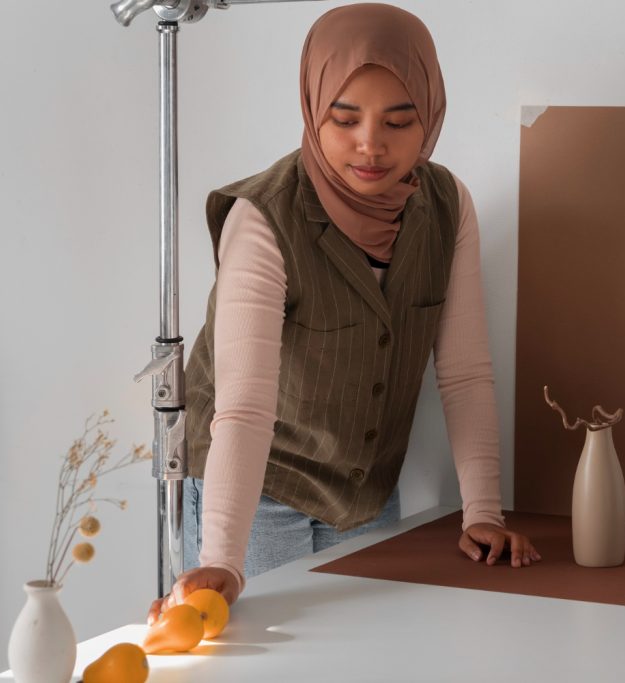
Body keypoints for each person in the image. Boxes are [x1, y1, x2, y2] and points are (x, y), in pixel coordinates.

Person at [147, 2, 540, 623]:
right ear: (313, 108)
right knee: (265, 657)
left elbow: (463, 373)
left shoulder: (446, 208)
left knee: (364, 651)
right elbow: (244, 407)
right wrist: (223, 556)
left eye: (399, 121)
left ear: (431, 118)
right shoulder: (263, 221)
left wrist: (483, 513)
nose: (371, 145)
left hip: (363, 491)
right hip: (259, 488)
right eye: (346, 117)